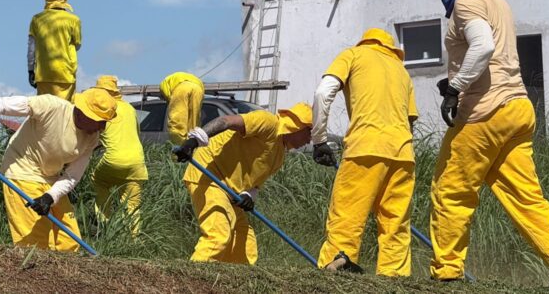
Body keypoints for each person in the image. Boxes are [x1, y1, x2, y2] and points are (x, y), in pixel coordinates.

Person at [427, 0, 549, 291]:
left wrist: (456, 89)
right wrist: (455, 78)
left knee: (451, 190)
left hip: (484, 113)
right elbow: (492, 54)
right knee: (526, 197)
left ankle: (447, 273)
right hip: (518, 108)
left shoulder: (467, 2)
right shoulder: (498, 1)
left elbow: (483, 46)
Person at [0, 87, 116, 251]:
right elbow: (1, 105)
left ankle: (60, 276)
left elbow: (72, 175)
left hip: (51, 179)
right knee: (37, 244)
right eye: (99, 121)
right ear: (83, 113)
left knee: (69, 242)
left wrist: (50, 197)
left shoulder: (92, 138)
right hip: (22, 171)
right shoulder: (51, 106)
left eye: (104, 122)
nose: (102, 127)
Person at [311, 28, 418, 276]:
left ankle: (335, 267)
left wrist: (319, 141)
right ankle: (395, 278)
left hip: (364, 149)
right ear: (391, 47)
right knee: (396, 224)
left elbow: (323, 92)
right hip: (403, 154)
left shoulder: (353, 54)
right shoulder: (401, 70)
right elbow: (410, 121)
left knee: (347, 216)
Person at [173, 102, 313, 265]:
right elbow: (226, 121)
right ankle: (190, 278)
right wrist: (194, 141)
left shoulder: (279, 155)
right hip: (209, 174)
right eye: (309, 132)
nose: (309, 139)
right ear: (298, 125)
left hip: (229, 191)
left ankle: (235, 282)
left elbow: (255, 183)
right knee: (218, 235)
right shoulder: (268, 122)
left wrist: (248, 195)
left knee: (245, 241)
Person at [92, 75, 149, 236]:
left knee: (99, 181)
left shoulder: (101, 108)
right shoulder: (130, 108)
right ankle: (133, 240)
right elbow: (136, 134)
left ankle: (104, 226)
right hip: (137, 162)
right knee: (132, 206)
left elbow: (95, 136)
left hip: (112, 160)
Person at [27, 0, 81, 101]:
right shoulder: (74, 20)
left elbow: (31, 47)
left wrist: (31, 70)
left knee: (45, 111)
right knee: (65, 110)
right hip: (66, 73)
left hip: (43, 74)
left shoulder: (37, 19)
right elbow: (77, 45)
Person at [159, 72, 205, 145]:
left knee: (177, 121)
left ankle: (180, 148)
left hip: (182, 88)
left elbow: (168, 96)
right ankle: (193, 146)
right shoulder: (174, 79)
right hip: (198, 88)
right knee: (194, 122)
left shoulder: (164, 87)